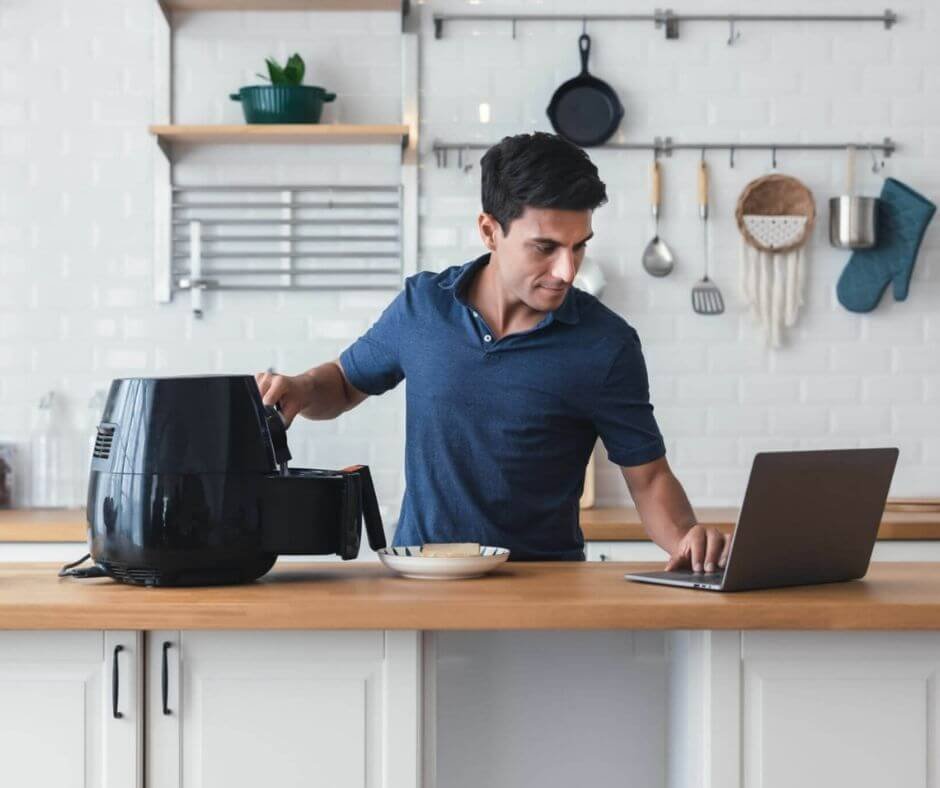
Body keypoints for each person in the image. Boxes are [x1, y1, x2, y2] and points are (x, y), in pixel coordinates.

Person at [256, 131, 729, 571]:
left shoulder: (606, 345)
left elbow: (648, 479)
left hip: (546, 589)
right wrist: (299, 387)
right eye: (545, 247)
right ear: (489, 231)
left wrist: (688, 537)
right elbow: (342, 382)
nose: (566, 270)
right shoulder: (423, 308)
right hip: (422, 578)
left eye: (578, 247)